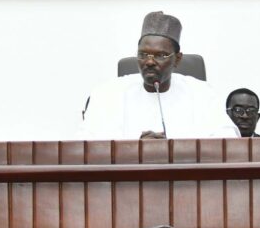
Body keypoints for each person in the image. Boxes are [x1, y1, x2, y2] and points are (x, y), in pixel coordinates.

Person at [81, 11, 239, 139]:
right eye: (143, 54)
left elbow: (227, 139)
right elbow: (84, 143)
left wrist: (172, 150)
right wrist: (135, 149)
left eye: (160, 55)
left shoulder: (202, 94)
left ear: (177, 59)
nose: (149, 62)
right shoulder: (107, 93)